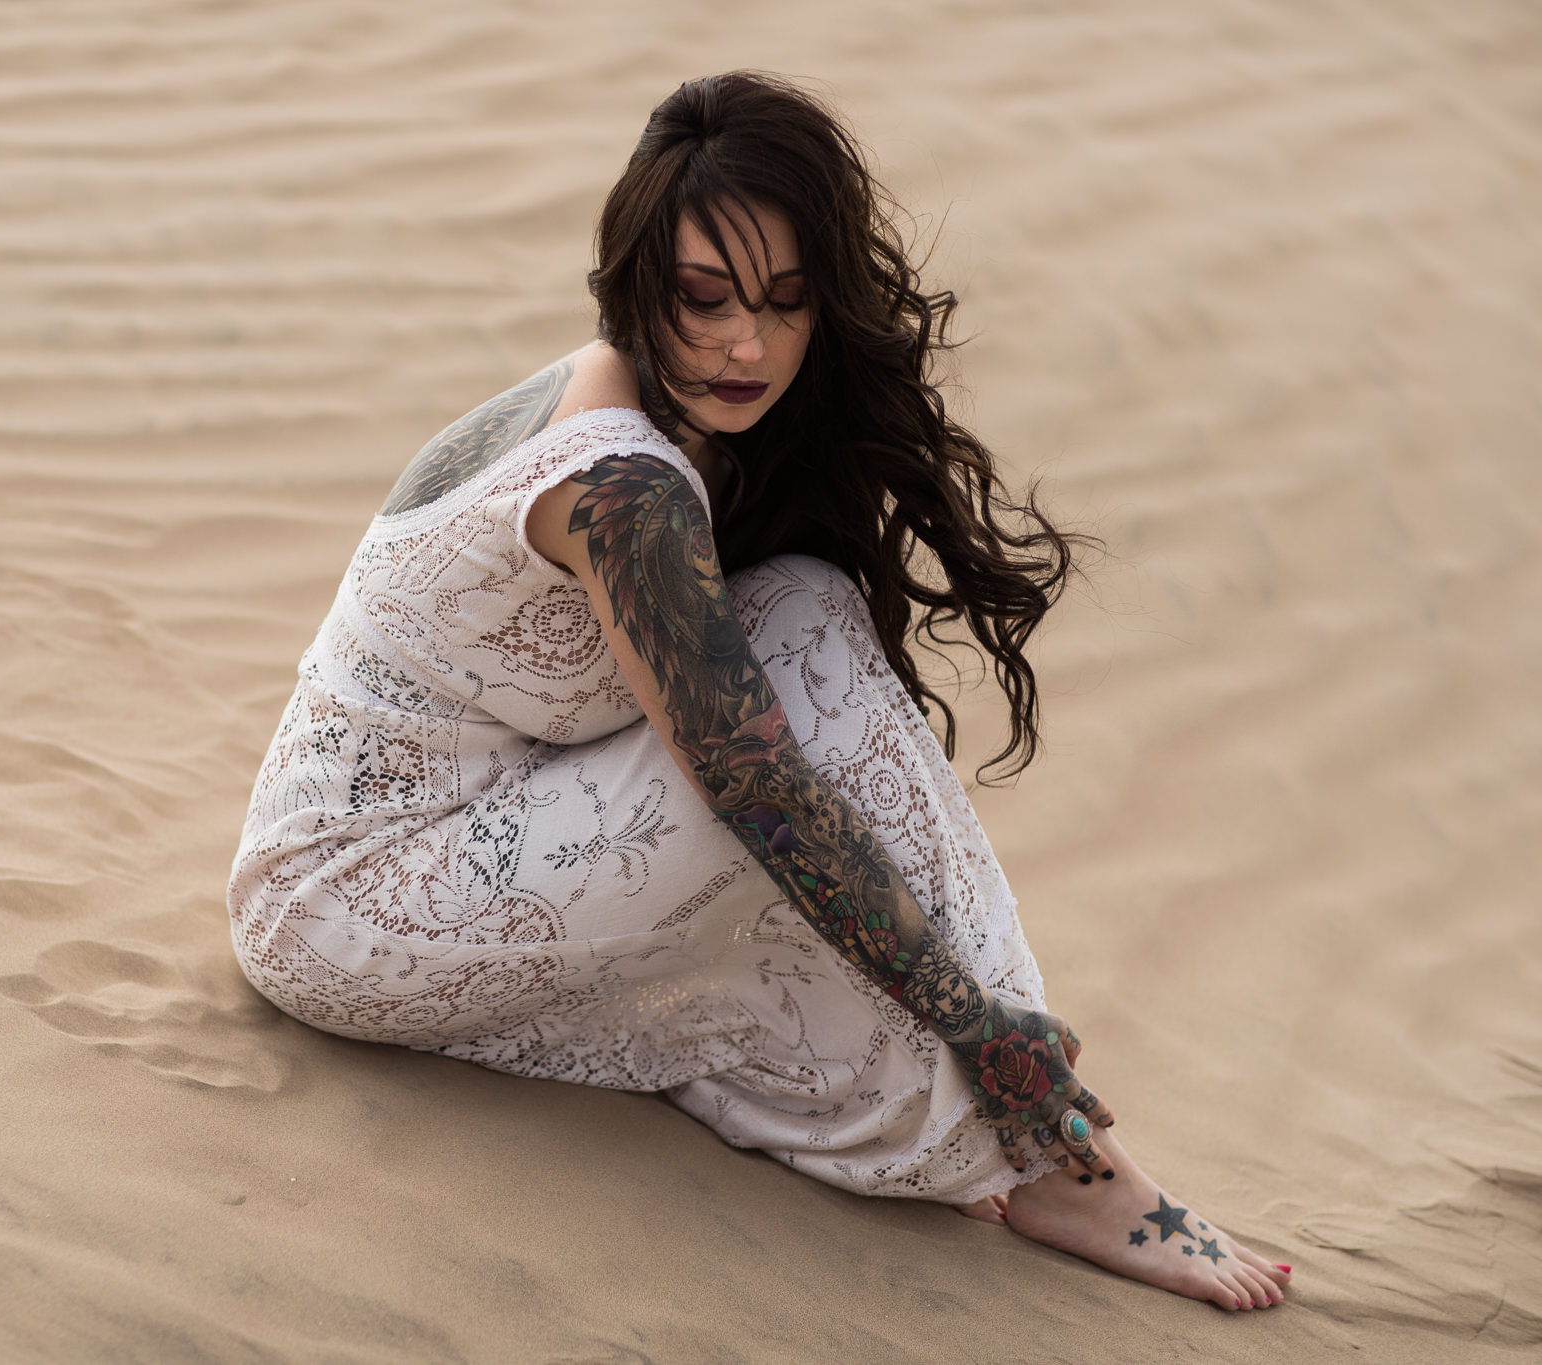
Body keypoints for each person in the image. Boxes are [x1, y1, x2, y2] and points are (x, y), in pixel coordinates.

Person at [228, 71, 1290, 1311]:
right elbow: (760, 788)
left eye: (785, 304)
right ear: (637, 290)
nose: (746, 344)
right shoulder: (619, 488)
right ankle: (1063, 1149)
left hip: (497, 815)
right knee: (792, 768)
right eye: (703, 300)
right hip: (340, 902)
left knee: (810, 615)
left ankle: (1023, 1122)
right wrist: (989, 1038)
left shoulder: (674, 420)